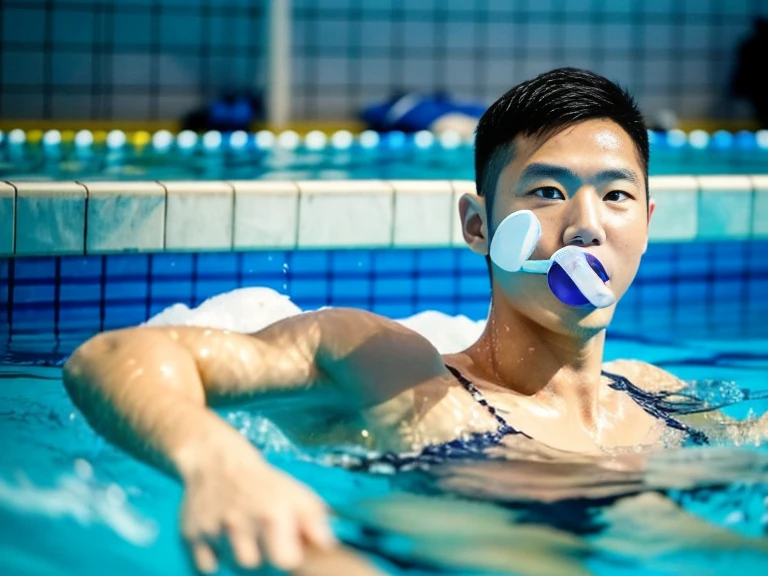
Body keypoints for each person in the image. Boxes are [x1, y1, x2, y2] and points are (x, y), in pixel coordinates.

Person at [63, 68, 696, 574]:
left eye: (616, 195)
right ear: (479, 226)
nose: (586, 225)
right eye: (547, 193)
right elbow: (111, 357)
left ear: (646, 224)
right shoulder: (396, 371)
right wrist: (222, 466)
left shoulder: (656, 398)